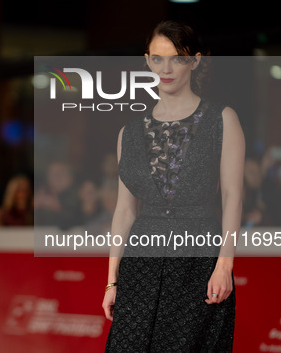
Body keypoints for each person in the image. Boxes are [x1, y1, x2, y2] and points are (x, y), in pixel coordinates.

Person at [103, 20, 245, 352]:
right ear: (147, 61)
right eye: (157, 58)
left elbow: (233, 197)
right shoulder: (130, 132)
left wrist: (224, 265)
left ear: (195, 60)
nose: (166, 69)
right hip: (140, 264)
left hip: (198, 263)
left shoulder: (222, 120)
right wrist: (112, 281)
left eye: (177, 58)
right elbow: (124, 210)